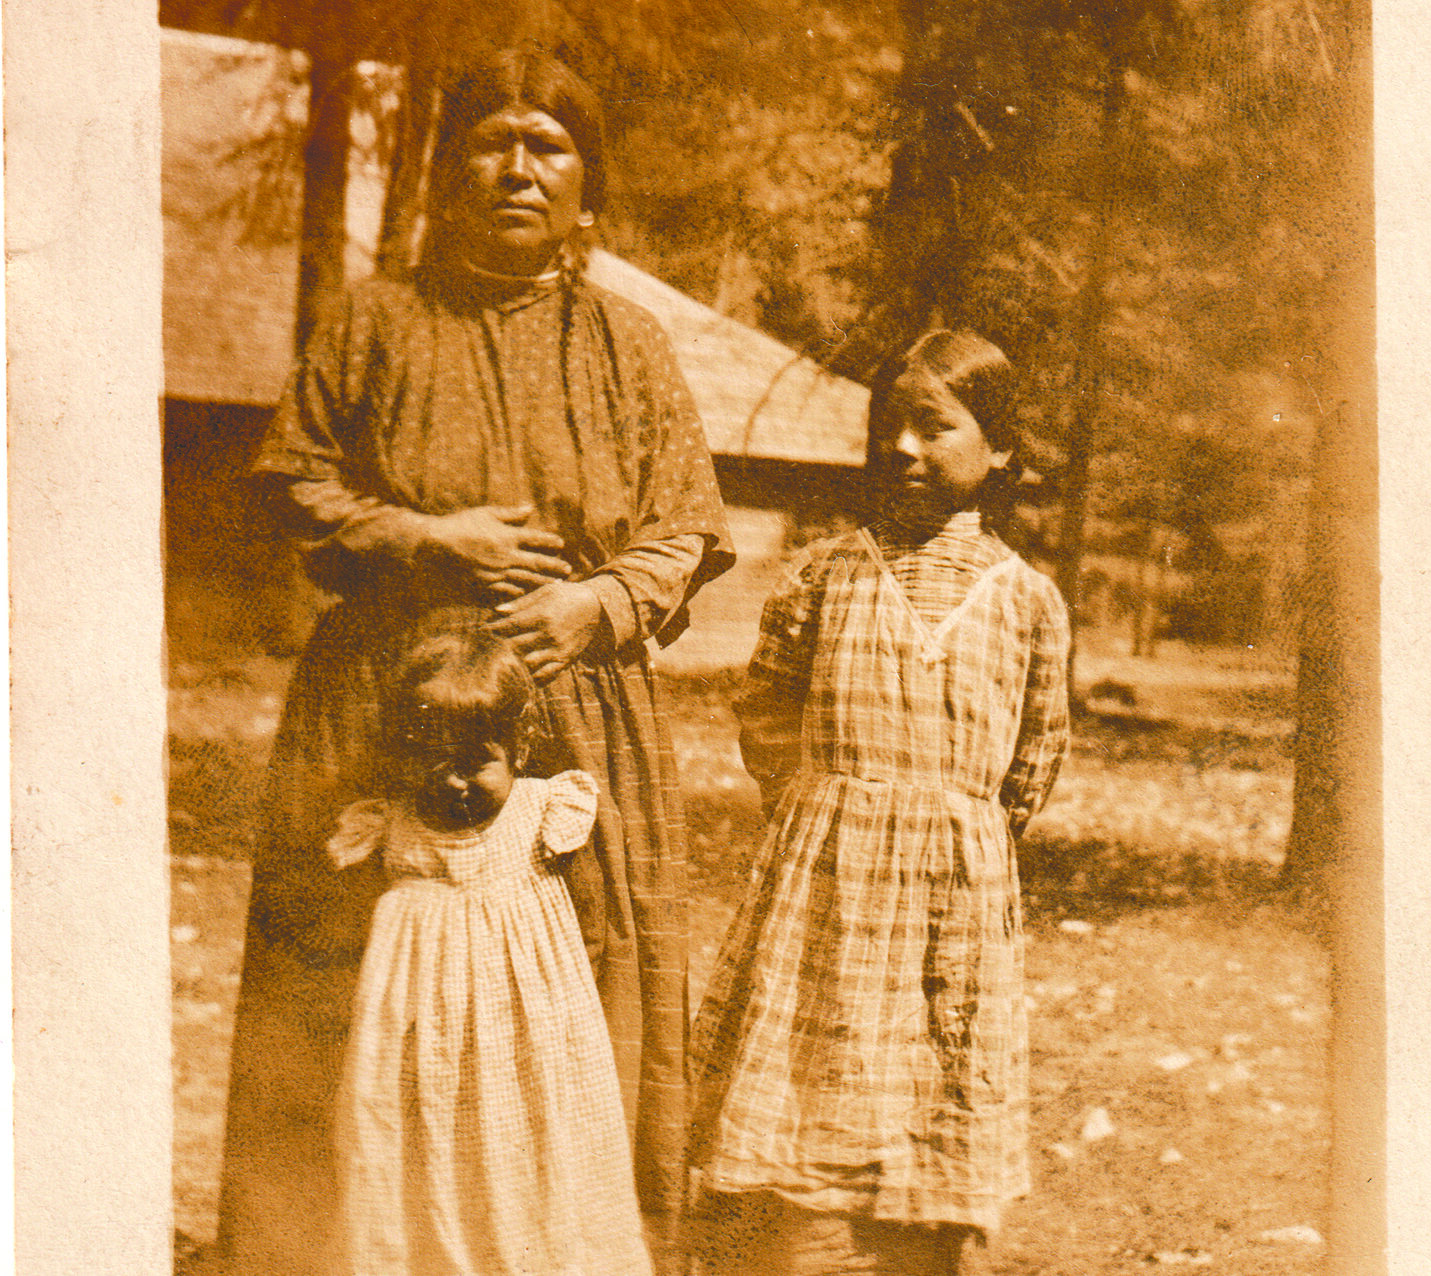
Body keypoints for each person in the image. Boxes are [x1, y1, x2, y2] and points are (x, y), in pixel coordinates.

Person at [215, 46, 733, 1275]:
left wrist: (598, 602)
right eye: (490, 142)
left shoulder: (629, 344)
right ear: (447, 175)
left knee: (580, 980)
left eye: (546, 145)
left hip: (579, 712)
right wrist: (418, 534)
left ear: (585, 186)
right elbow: (287, 479)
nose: (516, 166)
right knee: (354, 970)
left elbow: (690, 525)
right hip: (381, 701)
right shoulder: (378, 323)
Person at [687, 330, 1071, 1275]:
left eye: (934, 427)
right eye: (889, 426)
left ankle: (922, 1247)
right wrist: (834, 813)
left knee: (929, 1084)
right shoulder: (824, 574)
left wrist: (954, 827)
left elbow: (1035, 755)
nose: (903, 447)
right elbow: (767, 715)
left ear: (1002, 449)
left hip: (956, 892)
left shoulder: (1028, 600)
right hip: (826, 884)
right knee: (810, 1089)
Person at [328, 611, 649, 1275]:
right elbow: (357, 937)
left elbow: (591, 923)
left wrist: (559, 1012)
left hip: (526, 1031)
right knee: (421, 1142)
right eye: (434, 763)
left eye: (476, 765)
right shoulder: (389, 826)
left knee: (525, 1142)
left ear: (520, 750)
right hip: (418, 1043)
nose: (454, 783)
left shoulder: (545, 814)